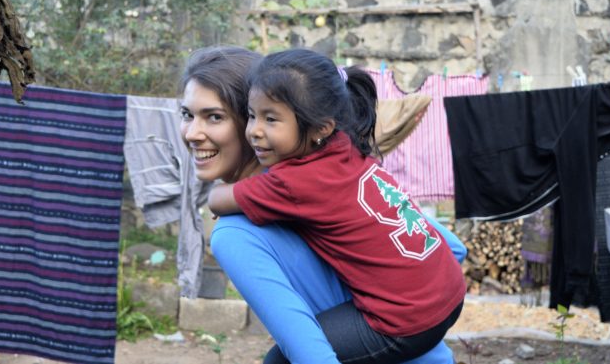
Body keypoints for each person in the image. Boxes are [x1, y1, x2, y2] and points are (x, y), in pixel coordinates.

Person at [179, 46, 466, 364]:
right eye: (186, 115)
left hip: (398, 329)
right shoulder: (346, 166)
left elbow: (313, 356)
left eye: (214, 117)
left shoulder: (238, 233)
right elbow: (453, 248)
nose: (192, 133)